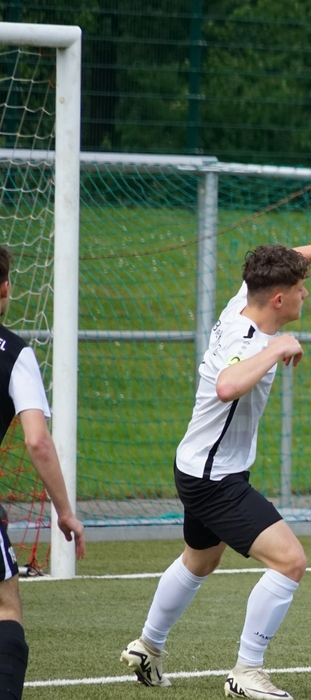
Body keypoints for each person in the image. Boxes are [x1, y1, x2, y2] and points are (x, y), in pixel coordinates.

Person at [120, 241, 311, 699]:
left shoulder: (244, 300)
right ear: (279, 299)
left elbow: (279, 261)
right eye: (301, 288)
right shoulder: (249, 340)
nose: (306, 295)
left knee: (200, 559)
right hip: (214, 478)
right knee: (290, 561)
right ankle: (246, 672)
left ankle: (148, 647)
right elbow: (226, 385)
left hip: (196, 465)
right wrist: (277, 348)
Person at [0, 246, 86, 700]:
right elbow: (37, 440)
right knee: (5, 607)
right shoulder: (15, 353)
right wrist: (65, 511)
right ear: (5, 289)